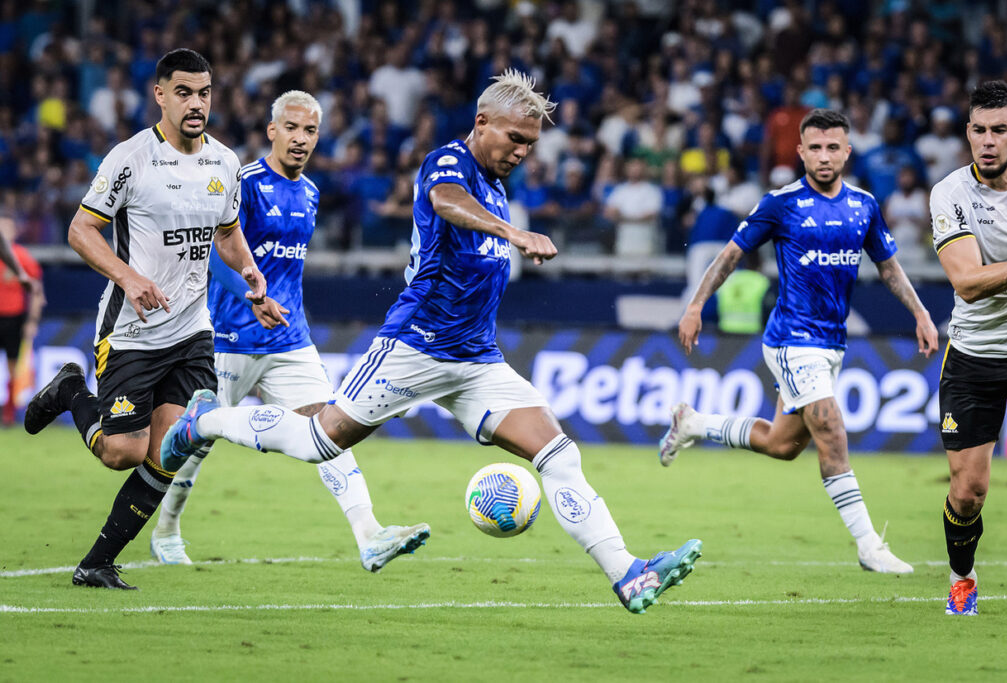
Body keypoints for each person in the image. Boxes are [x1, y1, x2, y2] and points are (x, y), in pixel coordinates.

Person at [161, 69, 702, 615]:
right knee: (317, 443)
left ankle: (629, 574)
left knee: (560, 454)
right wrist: (513, 233)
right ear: (482, 122)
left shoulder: (494, 184)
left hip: (477, 359)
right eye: (514, 139)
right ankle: (202, 422)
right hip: (415, 346)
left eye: (530, 145)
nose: (521, 152)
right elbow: (445, 200)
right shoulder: (448, 162)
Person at [22, 49, 285, 590]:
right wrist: (129, 277)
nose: (196, 103)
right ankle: (73, 388)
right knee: (122, 452)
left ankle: (96, 563)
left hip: (191, 331)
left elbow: (227, 233)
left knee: (170, 450)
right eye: (184, 92)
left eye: (205, 92)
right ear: (160, 94)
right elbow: (80, 230)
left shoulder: (225, 163)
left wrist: (251, 273)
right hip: (131, 333)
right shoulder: (130, 158)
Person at [151, 90, 429, 572]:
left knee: (330, 431)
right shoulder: (246, 183)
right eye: (292, 128)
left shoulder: (311, 193)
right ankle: (166, 528)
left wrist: (274, 304)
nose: (301, 139)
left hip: (290, 338)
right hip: (229, 336)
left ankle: (369, 535)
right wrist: (251, 297)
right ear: (272, 131)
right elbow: (214, 252)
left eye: (311, 131)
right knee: (197, 442)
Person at [659, 108, 938, 574]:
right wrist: (693, 306)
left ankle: (694, 424)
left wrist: (922, 313)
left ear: (847, 152)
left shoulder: (864, 205)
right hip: (792, 338)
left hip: (831, 343)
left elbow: (888, 267)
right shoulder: (780, 203)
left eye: (834, 148)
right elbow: (730, 256)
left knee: (782, 445)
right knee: (831, 428)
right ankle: (869, 546)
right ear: (801, 151)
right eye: (816, 148)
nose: (824, 156)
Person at [927, 80, 1007, 615]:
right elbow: (967, 282)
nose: (988, 141)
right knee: (967, 493)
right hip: (974, 353)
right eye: (979, 131)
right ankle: (961, 577)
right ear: (968, 132)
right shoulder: (950, 193)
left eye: (999, 130)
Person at [0, 215, 43, 425]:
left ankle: (8, 413)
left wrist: (32, 321)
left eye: (7, 227)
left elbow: (36, 290)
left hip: (12, 317)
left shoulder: (22, 257)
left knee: (12, 365)